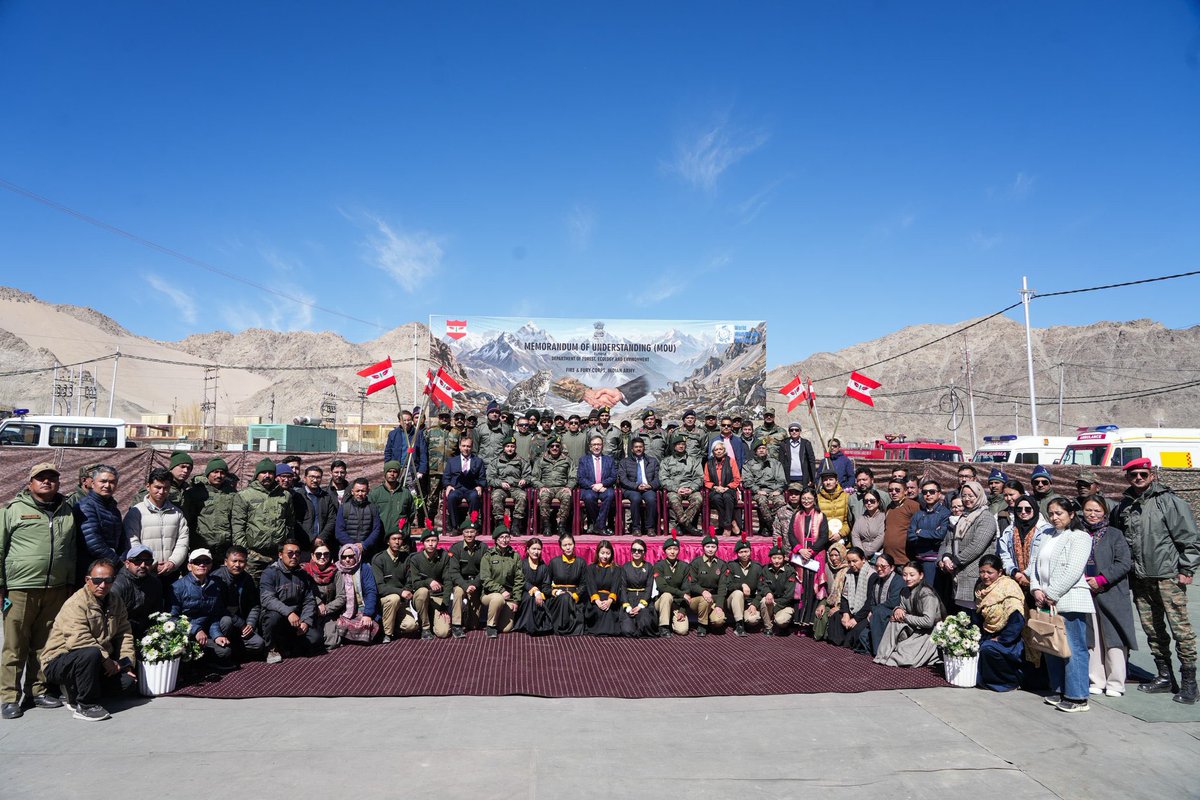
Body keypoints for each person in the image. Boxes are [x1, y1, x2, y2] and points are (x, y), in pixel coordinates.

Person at [1115, 458, 1200, 704]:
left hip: (1168, 576)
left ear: (1151, 475)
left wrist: (1186, 568)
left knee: (1181, 630)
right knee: (1153, 630)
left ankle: (1189, 682)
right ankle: (1165, 676)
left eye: (1143, 474)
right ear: (1127, 478)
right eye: (1134, 475)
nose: (1139, 479)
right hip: (1141, 578)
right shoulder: (1125, 506)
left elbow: (1190, 538)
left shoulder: (1169, 502)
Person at [1, 463, 78, 719]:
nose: (47, 482)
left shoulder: (66, 510)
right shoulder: (12, 511)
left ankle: (37, 690)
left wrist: (68, 582)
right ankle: (9, 697)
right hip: (21, 588)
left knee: (44, 645)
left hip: (55, 588)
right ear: (30, 482)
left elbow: (71, 549)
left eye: (52, 478)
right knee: (15, 645)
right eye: (41, 478)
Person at [40, 559, 137, 722]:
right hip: (60, 660)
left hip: (96, 660)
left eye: (108, 580)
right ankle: (85, 705)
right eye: (98, 580)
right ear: (87, 580)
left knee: (127, 683)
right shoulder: (76, 603)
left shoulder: (115, 601)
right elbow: (79, 640)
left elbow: (124, 634)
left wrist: (125, 664)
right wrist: (106, 660)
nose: (103, 585)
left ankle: (75, 690)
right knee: (90, 653)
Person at [1030, 497, 1095, 712]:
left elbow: (1073, 570)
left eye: (1059, 513)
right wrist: (1036, 588)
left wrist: (1052, 593)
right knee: (1053, 646)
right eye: (1052, 513)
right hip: (1047, 600)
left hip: (1069, 599)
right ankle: (1059, 689)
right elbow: (1034, 566)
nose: (1054, 517)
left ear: (1071, 514)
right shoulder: (1046, 535)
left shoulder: (1080, 537)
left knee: (1073, 647)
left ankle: (1077, 696)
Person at [1079, 495, 1136, 697]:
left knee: (1114, 637)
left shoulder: (1115, 535)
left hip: (1111, 592)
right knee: (1092, 637)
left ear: (1104, 512)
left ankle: (1115, 683)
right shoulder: (1079, 533)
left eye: (1097, 510)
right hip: (1085, 592)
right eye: (1088, 510)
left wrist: (1102, 579)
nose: (1092, 514)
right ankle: (1096, 679)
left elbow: (1123, 563)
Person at [936, 480, 999, 611]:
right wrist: (947, 557)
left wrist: (955, 561)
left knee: (973, 617)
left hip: (974, 572)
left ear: (979, 496)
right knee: (961, 617)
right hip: (959, 572)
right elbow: (952, 540)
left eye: (971, 496)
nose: (966, 499)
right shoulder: (963, 517)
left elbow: (977, 546)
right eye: (964, 495)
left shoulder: (986, 517)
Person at [232, 458, 296, 584]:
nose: (267, 476)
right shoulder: (245, 495)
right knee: (251, 589)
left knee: (277, 587)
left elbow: (290, 524)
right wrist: (246, 552)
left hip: (277, 555)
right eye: (263, 473)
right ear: (257, 475)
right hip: (254, 555)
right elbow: (238, 526)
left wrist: (286, 549)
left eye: (271, 473)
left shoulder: (285, 496)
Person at [259, 540, 322, 663]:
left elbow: (309, 601)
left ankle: (289, 645)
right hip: (277, 617)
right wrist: (288, 613)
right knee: (273, 618)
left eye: (297, 553)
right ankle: (271, 648)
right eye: (290, 553)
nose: (294, 556)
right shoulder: (270, 573)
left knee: (315, 639)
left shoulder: (303, 575)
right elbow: (267, 599)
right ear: (280, 555)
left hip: (297, 619)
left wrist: (306, 621)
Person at [874, 562, 945, 668]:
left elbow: (928, 622)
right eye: (904, 575)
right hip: (915, 628)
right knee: (894, 621)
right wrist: (898, 610)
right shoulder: (905, 591)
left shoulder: (927, 594)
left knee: (904, 658)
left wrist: (905, 617)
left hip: (930, 632)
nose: (907, 578)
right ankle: (882, 654)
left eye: (912, 575)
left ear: (921, 575)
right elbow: (903, 608)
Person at [124, 467, 190, 582]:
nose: (161, 492)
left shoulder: (177, 513)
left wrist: (172, 562)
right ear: (148, 486)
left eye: (166, 488)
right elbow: (132, 541)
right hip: (144, 572)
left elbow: (182, 542)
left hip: (170, 573)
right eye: (158, 487)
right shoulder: (136, 512)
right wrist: (152, 563)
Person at [168, 549, 230, 669]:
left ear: (211, 565)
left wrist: (217, 635)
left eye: (206, 561)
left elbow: (214, 615)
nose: (202, 564)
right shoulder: (177, 587)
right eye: (197, 562)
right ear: (189, 566)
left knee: (225, 651)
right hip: (185, 632)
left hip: (206, 632)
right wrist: (195, 630)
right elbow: (172, 618)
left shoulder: (215, 586)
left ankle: (207, 660)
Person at [777, 486, 829, 627]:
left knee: (812, 586)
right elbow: (791, 535)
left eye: (809, 499)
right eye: (804, 498)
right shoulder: (797, 515)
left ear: (814, 500)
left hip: (815, 555)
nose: (806, 501)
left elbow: (824, 537)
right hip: (800, 556)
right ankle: (798, 621)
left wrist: (810, 551)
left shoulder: (821, 516)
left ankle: (810, 621)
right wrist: (800, 550)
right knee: (801, 586)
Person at [974, 553, 1026, 691]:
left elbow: (1017, 618)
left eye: (989, 572)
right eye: (982, 572)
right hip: (989, 633)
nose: (985, 576)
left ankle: (1009, 681)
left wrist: (1002, 639)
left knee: (988, 649)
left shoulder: (1008, 586)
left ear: (1000, 572)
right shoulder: (980, 588)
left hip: (1011, 638)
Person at [210, 545, 265, 663]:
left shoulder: (247, 578)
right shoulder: (216, 578)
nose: (237, 565)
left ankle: (232, 650)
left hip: (241, 625)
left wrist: (250, 624)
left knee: (258, 644)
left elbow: (254, 605)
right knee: (227, 620)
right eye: (234, 561)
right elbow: (218, 608)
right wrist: (241, 624)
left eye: (242, 561)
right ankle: (219, 652)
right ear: (226, 562)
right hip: (221, 623)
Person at [74, 464, 128, 582]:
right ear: (93, 483)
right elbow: (93, 543)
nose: (107, 485)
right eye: (103, 481)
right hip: (91, 569)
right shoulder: (86, 506)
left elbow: (121, 539)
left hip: (109, 568)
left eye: (112, 482)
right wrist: (117, 562)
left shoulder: (114, 509)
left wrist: (123, 557)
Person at [182, 458, 237, 563]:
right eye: (215, 472)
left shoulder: (232, 494)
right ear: (208, 473)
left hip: (224, 547)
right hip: (201, 545)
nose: (219, 476)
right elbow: (189, 519)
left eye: (222, 473)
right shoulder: (195, 493)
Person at [325, 543, 379, 647]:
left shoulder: (364, 568)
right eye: (344, 557)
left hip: (362, 608)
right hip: (341, 610)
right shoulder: (335, 570)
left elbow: (371, 591)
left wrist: (367, 614)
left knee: (369, 625)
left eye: (351, 556)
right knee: (338, 624)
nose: (347, 559)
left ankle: (350, 639)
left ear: (357, 556)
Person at [371, 531, 417, 643]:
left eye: (400, 539)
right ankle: (387, 633)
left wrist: (407, 590)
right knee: (393, 598)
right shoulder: (379, 559)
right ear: (388, 541)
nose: (397, 542)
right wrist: (400, 592)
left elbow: (410, 580)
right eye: (394, 539)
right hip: (385, 600)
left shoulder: (406, 558)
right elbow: (380, 587)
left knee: (411, 626)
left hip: (401, 601)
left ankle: (393, 623)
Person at [406, 529, 452, 639]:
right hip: (421, 597)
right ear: (422, 542)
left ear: (438, 541)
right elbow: (415, 584)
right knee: (423, 591)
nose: (431, 544)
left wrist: (445, 604)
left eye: (433, 540)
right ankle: (425, 628)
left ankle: (433, 618)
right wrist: (429, 581)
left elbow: (448, 580)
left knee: (443, 633)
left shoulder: (444, 557)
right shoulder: (415, 559)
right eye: (427, 541)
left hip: (438, 597)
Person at [111, 544, 164, 639]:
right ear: (127, 563)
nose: (143, 565)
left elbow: (157, 612)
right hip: (122, 633)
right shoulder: (118, 585)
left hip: (147, 633)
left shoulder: (155, 583)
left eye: (148, 561)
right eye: (137, 561)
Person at [480, 524, 523, 638]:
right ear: (496, 540)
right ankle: (490, 626)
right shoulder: (488, 556)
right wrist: (501, 590)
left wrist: (516, 600)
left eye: (507, 537)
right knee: (498, 598)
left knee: (506, 629)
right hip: (490, 595)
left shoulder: (515, 556)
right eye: (501, 537)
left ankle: (498, 617)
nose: (504, 540)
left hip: (509, 596)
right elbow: (485, 579)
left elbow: (519, 579)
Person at [446, 515, 487, 638]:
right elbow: (453, 572)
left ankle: (468, 618)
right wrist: (465, 585)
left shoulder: (483, 547)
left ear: (476, 533)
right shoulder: (456, 548)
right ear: (462, 533)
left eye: (472, 532)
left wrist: (474, 584)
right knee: (458, 592)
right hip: (461, 582)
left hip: (476, 583)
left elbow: (485, 570)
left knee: (474, 625)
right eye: (467, 532)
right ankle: (457, 625)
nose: (469, 535)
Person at [826, 546, 873, 650]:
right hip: (851, 609)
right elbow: (844, 596)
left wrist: (855, 619)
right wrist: (846, 614)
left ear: (863, 560)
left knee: (857, 631)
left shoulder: (871, 576)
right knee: (836, 617)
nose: (852, 564)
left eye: (855, 561)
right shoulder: (849, 574)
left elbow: (870, 602)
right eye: (849, 562)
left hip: (864, 613)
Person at [684, 531, 727, 636]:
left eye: (713, 546)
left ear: (717, 548)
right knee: (705, 599)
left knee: (719, 621)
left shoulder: (721, 564)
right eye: (708, 546)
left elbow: (722, 586)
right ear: (703, 548)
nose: (711, 549)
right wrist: (702, 591)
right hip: (697, 598)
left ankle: (711, 621)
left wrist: (719, 606)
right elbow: (691, 583)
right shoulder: (696, 563)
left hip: (714, 599)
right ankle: (702, 625)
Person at [908, 480, 949, 588]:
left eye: (932, 491)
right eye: (925, 492)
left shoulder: (945, 513)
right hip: (918, 561)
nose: (928, 494)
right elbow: (911, 536)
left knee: (933, 594)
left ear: (939, 494)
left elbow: (941, 535)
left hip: (934, 563)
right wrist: (931, 535)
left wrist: (920, 531)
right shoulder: (918, 514)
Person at [532, 435, 575, 538]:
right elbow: (534, 478)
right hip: (546, 487)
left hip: (562, 487)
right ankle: (546, 525)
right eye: (552, 446)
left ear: (560, 447)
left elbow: (573, 476)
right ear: (548, 448)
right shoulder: (540, 460)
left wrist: (569, 487)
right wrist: (541, 486)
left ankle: (561, 525)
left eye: (557, 446)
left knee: (566, 496)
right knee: (544, 496)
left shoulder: (567, 460)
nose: (555, 448)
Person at [719, 536, 763, 636]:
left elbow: (762, 588)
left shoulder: (757, 567)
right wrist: (741, 585)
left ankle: (745, 619)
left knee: (753, 620)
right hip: (733, 601)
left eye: (746, 551)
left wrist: (754, 604)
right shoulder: (731, 565)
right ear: (737, 553)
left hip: (749, 602)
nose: (744, 554)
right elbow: (728, 585)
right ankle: (739, 624)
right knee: (738, 593)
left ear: (750, 551)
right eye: (741, 552)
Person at [662, 434, 704, 536]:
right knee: (674, 499)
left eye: (683, 444)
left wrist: (692, 488)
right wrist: (677, 489)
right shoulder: (666, 461)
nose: (681, 446)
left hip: (690, 488)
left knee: (698, 498)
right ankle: (689, 526)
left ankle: (680, 525)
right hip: (675, 489)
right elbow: (664, 479)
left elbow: (699, 477)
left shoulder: (694, 460)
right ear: (674, 446)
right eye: (678, 444)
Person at [443, 437, 487, 532]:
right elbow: (446, 476)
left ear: (471, 448)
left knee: (475, 497)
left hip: (471, 488)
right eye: (463, 446)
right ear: (459, 447)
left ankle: (472, 524)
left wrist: (480, 486)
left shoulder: (478, 461)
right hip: (456, 488)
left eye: (468, 446)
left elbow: (482, 477)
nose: (466, 448)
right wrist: (448, 485)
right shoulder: (452, 461)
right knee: (451, 497)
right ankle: (455, 526)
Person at [619, 438, 661, 537]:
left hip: (648, 488)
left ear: (644, 448)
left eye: (640, 447)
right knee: (636, 498)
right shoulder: (624, 462)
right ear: (632, 449)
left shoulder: (652, 461)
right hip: (631, 489)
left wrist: (650, 485)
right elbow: (623, 479)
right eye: (636, 447)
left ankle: (650, 528)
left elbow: (658, 478)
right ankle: (636, 528)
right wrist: (636, 486)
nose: (638, 449)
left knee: (651, 499)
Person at [743, 439, 786, 535]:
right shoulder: (749, 464)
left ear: (767, 450)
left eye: (763, 448)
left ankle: (767, 527)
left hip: (773, 490)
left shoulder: (775, 463)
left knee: (781, 502)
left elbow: (781, 479)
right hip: (758, 492)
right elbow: (747, 481)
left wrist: (779, 490)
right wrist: (757, 490)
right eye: (759, 449)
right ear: (755, 451)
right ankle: (773, 527)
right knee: (762, 501)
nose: (761, 450)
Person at [489, 436, 531, 534]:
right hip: (501, 488)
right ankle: (500, 524)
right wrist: (500, 483)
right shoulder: (496, 461)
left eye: (512, 446)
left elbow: (528, 475)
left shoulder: (521, 461)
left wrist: (524, 480)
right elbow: (490, 478)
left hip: (516, 488)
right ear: (504, 448)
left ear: (515, 448)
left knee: (522, 496)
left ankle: (516, 525)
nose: (510, 449)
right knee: (496, 496)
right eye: (507, 446)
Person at [759, 538, 800, 636]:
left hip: (785, 604)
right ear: (770, 558)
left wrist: (776, 607)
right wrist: (768, 592)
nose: (776, 561)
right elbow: (763, 585)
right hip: (771, 601)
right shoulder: (766, 569)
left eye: (779, 558)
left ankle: (783, 624)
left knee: (780, 621)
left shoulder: (789, 571)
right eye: (774, 558)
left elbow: (789, 595)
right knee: (764, 601)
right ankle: (768, 627)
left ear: (784, 558)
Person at [651, 535, 690, 637]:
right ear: (665, 551)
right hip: (661, 601)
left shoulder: (684, 566)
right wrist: (681, 594)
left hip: (677, 603)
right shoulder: (659, 566)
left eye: (675, 549)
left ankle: (672, 620)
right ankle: (663, 626)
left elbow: (687, 590)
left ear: (678, 551)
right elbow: (661, 586)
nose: (672, 552)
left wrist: (682, 610)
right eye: (669, 549)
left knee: (683, 630)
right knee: (667, 595)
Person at [578, 435, 617, 534]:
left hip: (605, 487)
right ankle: (601, 526)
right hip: (589, 488)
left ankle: (597, 526)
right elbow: (581, 478)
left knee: (610, 495)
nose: (596, 447)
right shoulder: (583, 460)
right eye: (594, 445)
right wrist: (593, 485)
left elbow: (613, 476)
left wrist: (602, 484)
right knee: (589, 497)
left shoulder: (609, 460)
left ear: (602, 446)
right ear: (590, 447)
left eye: (599, 444)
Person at [368, 462, 414, 548]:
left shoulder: (405, 493)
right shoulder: (375, 493)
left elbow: (411, 514)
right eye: (389, 471)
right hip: (380, 538)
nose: (392, 474)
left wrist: (403, 528)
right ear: (385, 473)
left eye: (395, 471)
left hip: (400, 539)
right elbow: (369, 515)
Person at [865, 553, 904, 655]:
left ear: (892, 568)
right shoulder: (876, 580)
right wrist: (872, 610)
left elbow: (894, 601)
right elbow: (872, 601)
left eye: (883, 566)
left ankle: (880, 651)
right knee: (861, 636)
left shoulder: (898, 580)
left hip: (893, 612)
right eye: (877, 566)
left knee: (879, 612)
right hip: (878, 612)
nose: (879, 569)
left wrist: (874, 610)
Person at [335, 478, 383, 557]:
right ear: (352, 491)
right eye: (357, 491)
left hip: (368, 551)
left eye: (363, 491)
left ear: (368, 491)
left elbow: (376, 529)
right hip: (348, 553)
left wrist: (364, 545)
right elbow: (339, 531)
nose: (360, 494)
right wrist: (353, 546)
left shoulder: (373, 508)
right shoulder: (344, 508)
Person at [304, 543, 340, 649]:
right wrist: (318, 602)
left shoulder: (336, 572)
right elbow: (305, 593)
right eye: (318, 554)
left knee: (332, 642)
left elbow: (341, 597)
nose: (323, 557)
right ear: (312, 555)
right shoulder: (305, 572)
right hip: (310, 611)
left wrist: (326, 609)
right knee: (315, 641)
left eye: (326, 554)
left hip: (328, 612)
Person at [618, 538, 657, 637]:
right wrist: (627, 607)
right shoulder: (625, 567)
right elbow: (623, 587)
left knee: (645, 624)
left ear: (644, 553)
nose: (636, 552)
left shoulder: (649, 567)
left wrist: (641, 606)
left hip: (643, 600)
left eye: (639, 550)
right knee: (627, 630)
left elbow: (649, 587)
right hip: (629, 599)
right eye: (634, 550)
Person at [514, 537, 553, 636]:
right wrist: (535, 591)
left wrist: (546, 593)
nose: (536, 552)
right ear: (527, 550)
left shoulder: (543, 566)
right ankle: (527, 625)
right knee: (529, 598)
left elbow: (546, 585)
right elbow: (521, 581)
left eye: (539, 549)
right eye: (533, 549)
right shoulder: (522, 564)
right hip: (524, 592)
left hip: (540, 594)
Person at [583, 540, 622, 636]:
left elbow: (615, 586)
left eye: (608, 553)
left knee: (608, 611)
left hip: (610, 599)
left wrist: (609, 601)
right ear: (597, 553)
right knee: (597, 610)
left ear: (611, 554)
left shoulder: (616, 569)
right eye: (602, 553)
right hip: (596, 599)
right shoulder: (591, 568)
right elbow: (591, 585)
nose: (605, 556)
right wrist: (597, 601)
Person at [383, 409, 427, 493]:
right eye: (404, 420)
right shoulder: (393, 434)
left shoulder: (418, 434)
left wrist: (421, 470)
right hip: (396, 468)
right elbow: (388, 452)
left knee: (412, 493)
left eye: (409, 420)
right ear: (399, 421)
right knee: (395, 491)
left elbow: (423, 453)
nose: (407, 422)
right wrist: (387, 467)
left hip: (412, 469)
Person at [704, 440, 742, 537]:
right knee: (717, 498)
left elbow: (737, 479)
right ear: (713, 452)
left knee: (727, 497)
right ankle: (731, 522)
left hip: (729, 489)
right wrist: (715, 487)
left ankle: (726, 526)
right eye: (716, 450)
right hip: (715, 490)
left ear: (724, 450)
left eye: (721, 449)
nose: (719, 451)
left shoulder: (731, 461)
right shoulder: (708, 464)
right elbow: (706, 481)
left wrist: (727, 487)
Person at [812, 541, 848, 642]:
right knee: (821, 614)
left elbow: (849, 594)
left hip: (843, 604)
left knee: (834, 617)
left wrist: (838, 607)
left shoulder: (848, 570)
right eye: (831, 555)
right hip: (829, 600)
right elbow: (823, 589)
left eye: (836, 555)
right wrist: (822, 604)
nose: (833, 558)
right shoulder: (827, 567)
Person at [882, 478, 918, 568]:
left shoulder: (913, 506)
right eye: (890, 490)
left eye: (897, 490)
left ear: (905, 491)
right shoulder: (889, 507)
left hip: (905, 560)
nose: (893, 493)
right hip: (889, 560)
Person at [777, 422, 818, 489]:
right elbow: (781, 462)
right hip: (788, 477)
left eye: (796, 430)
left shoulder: (806, 443)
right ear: (789, 432)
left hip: (803, 478)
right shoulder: (784, 444)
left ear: (800, 431)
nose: (794, 432)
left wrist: (812, 478)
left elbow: (811, 461)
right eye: (791, 430)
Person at [816, 463, 850, 536]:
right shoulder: (817, 498)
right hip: (823, 538)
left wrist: (840, 534)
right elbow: (816, 522)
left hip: (843, 538)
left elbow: (848, 521)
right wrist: (829, 534)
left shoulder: (846, 497)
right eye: (825, 480)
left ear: (836, 481)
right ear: (822, 482)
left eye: (831, 479)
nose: (828, 482)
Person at [850, 489, 886, 559]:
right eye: (866, 501)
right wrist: (860, 553)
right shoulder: (860, 519)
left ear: (878, 502)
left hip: (879, 554)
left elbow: (881, 536)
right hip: (861, 556)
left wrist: (866, 553)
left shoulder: (883, 517)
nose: (869, 503)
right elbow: (855, 536)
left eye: (872, 501)